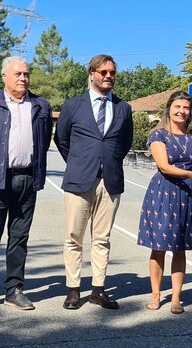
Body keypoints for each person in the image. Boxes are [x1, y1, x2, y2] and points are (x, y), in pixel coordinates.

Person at [0, 57, 52, 312]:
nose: (23, 78)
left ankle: (14, 289)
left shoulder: (41, 105)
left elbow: (44, 141)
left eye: (26, 74)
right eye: (18, 74)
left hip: (27, 179)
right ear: (4, 76)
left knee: (19, 238)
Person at [54, 54, 134, 310]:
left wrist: (107, 163)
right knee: (73, 237)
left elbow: (124, 143)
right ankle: (73, 290)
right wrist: (80, 163)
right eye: (103, 72)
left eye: (112, 73)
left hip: (109, 183)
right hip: (79, 181)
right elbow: (61, 139)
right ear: (91, 73)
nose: (108, 76)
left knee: (102, 239)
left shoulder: (123, 108)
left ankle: (98, 290)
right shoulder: (73, 105)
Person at [137, 91, 192, 314]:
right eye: (178, 107)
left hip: (188, 193)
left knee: (180, 247)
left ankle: (176, 297)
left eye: (186, 108)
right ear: (169, 108)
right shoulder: (159, 135)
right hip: (164, 192)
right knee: (158, 246)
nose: (181, 111)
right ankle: (156, 294)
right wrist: (190, 174)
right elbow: (164, 166)